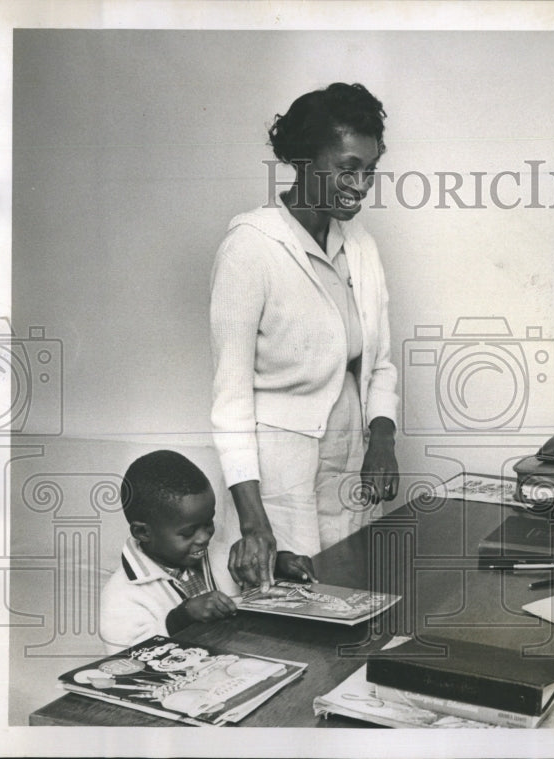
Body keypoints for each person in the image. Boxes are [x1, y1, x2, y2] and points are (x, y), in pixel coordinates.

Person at [210, 82, 400, 592]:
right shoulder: (250, 249)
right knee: (281, 617)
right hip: (275, 484)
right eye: (346, 168)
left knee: (345, 601)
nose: (360, 186)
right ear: (301, 160)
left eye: (369, 171)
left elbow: (378, 362)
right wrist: (253, 524)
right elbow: (229, 403)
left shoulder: (360, 248)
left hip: (346, 467)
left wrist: (382, 438)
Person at [100, 450, 237, 651]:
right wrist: (181, 619)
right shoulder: (121, 597)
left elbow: (249, 587)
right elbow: (128, 663)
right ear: (143, 532)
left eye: (208, 523)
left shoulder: (219, 554)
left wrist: (277, 564)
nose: (204, 537)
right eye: (189, 532)